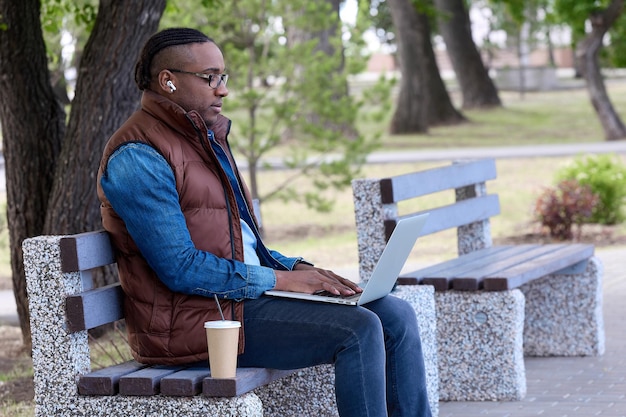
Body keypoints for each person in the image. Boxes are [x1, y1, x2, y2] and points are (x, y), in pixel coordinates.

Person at [97, 27, 432, 417]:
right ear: (168, 81)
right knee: (357, 329)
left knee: (395, 315)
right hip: (196, 323)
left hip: (235, 305)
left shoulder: (204, 140)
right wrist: (280, 281)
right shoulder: (138, 156)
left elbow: (241, 243)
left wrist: (297, 269)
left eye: (223, 77)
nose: (222, 89)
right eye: (210, 78)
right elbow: (179, 267)